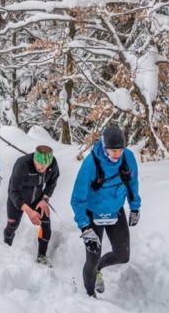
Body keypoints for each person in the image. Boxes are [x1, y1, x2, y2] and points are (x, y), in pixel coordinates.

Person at [70, 125, 141, 298]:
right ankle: (89, 296)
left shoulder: (128, 158)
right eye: (112, 150)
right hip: (92, 213)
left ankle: (99, 270)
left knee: (123, 255)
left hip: (115, 211)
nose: (117, 154)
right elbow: (77, 199)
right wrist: (85, 228)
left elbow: (132, 184)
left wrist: (134, 207)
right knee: (92, 259)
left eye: (120, 150)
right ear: (103, 146)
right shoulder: (91, 164)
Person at [4, 145, 59, 266]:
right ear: (35, 157)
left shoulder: (52, 164)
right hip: (18, 199)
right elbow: (13, 191)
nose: (42, 168)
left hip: (37, 199)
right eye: (39, 163)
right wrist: (28, 211)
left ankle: (41, 256)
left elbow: (52, 182)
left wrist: (45, 199)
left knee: (46, 225)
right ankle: (5, 248)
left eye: (46, 165)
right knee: (12, 226)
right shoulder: (22, 164)